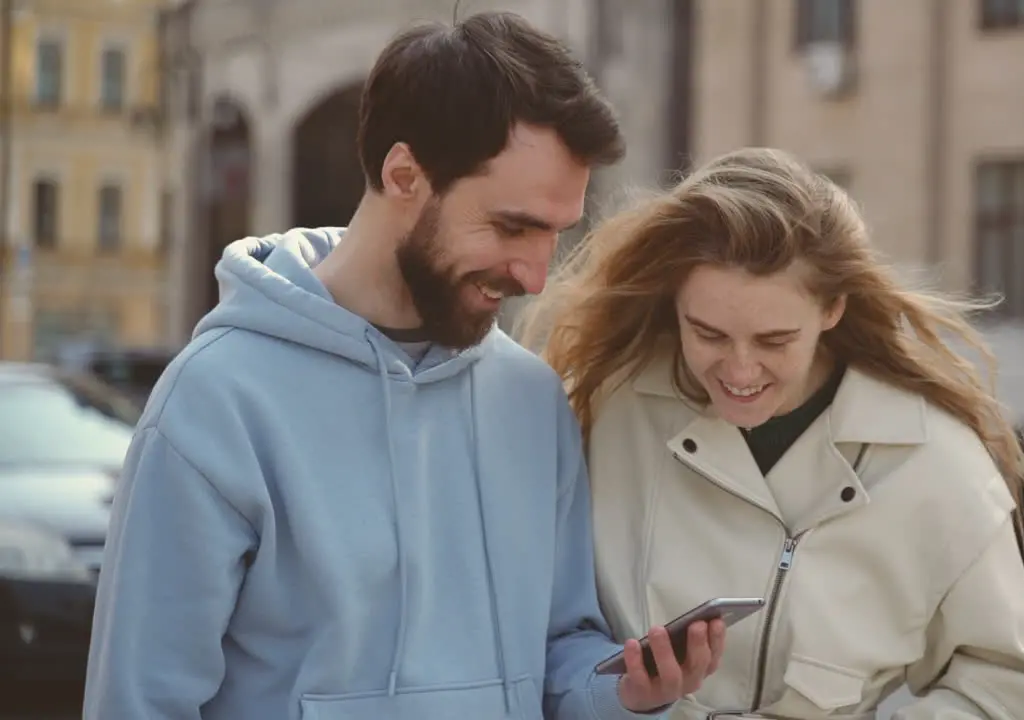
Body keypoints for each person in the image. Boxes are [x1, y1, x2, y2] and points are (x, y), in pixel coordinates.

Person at [83, 12, 724, 720]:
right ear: (403, 175)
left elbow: (557, 650)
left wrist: (625, 692)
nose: (537, 276)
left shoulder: (531, 398)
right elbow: (140, 701)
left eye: (555, 233)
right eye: (512, 227)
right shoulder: (215, 402)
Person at [519, 147, 1024, 720]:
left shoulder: (938, 463)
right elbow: (550, 637)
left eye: (774, 340)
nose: (738, 370)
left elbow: (1007, 690)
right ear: (674, 302)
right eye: (707, 333)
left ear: (832, 309)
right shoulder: (606, 407)